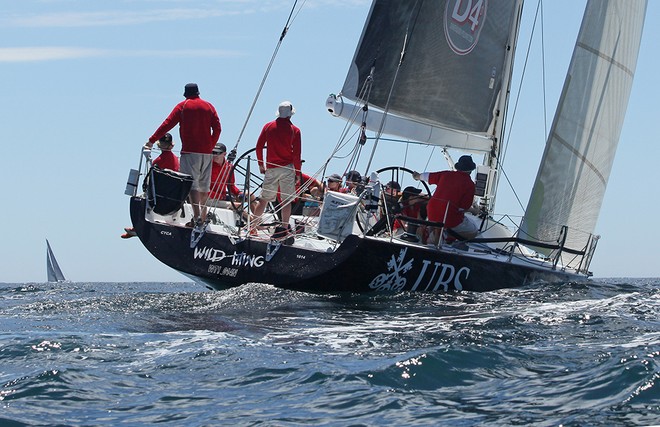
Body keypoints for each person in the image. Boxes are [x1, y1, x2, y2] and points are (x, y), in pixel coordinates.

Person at [145, 83, 221, 227]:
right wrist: (211, 145)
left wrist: (151, 140)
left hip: (190, 151)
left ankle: (197, 218)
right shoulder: (209, 106)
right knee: (204, 187)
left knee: (191, 185)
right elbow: (217, 128)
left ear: (185, 94)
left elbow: (167, 124)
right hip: (207, 153)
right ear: (198, 92)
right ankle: (203, 218)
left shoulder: (183, 106)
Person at [253, 101, 302, 242]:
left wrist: (261, 165)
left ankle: (253, 227)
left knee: (263, 200)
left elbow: (258, 146)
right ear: (291, 114)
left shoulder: (268, 127)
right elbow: (296, 155)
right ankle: (284, 229)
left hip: (271, 168)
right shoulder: (295, 130)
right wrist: (297, 173)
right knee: (286, 201)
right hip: (287, 168)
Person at [122, 134, 180, 239]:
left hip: (161, 194)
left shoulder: (158, 161)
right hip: (173, 194)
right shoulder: (176, 160)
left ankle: (136, 228)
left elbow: (152, 179)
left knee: (139, 199)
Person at [413, 155, 478, 245]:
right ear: (470, 170)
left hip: (431, 211)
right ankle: (445, 235)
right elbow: (463, 207)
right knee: (473, 231)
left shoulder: (446, 174)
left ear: (458, 167)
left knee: (436, 220)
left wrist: (417, 176)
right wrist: (475, 211)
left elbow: (427, 176)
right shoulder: (470, 185)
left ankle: (431, 233)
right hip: (448, 217)